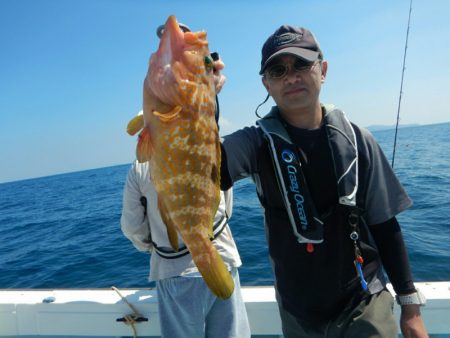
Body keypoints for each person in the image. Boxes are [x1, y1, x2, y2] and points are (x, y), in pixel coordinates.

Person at [218, 25, 429, 338]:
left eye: (302, 64)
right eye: (278, 70)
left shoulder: (359, 141)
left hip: (362, 300)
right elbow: (208, 171)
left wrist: (410, 308)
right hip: (297, 312)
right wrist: (201, 99)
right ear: (266, 83)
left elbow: (386, 226)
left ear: (323, 70)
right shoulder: (254, 144)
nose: (291, 77)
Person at [121, 160, 251, 338]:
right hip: (221, 259)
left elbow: (132, 227)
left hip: (174, 273)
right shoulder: (211, 146)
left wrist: (152, 245)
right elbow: (226, 208)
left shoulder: (140, 167)